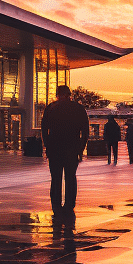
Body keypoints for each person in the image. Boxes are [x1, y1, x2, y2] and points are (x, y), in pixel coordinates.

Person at [41, 84, 89, 218]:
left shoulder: (51, 108)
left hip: (55, 148)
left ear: (57, 95)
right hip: (72, 148)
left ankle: (56, 203)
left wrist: (47, 147)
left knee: (56, 178)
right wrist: (81, 148)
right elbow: (85, 131)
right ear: (70, 95)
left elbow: (44, 130)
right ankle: (69, 204)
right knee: (70, 177)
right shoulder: (78, 108)